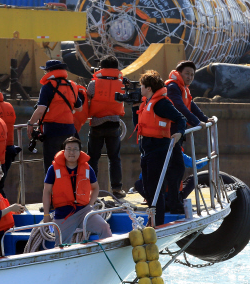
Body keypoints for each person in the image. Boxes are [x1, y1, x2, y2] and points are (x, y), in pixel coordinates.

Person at [133, 70, 186, 227]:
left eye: (142, 86)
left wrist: (178, 134)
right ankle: (152, 220)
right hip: (147, 150)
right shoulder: (147, 102)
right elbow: (138, 125)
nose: (140, 89)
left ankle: (158, 223)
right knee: (148, 189)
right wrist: (134, 108)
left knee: (156, 189)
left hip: (158, 150)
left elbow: (180, 118)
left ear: (149, 88)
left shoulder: (161, 103)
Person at [42, 137, 112, 244]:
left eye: (75, 149)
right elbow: (47, 191)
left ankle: (107, 254)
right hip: (63, 215)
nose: (72, 152)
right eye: (69, 149)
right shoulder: (53, 169)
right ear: (63, 151)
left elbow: (95, 187)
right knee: (61, 245)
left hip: (84, 211)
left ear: (80, 152)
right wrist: (46, 215)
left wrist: (90, 205)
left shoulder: (87, 168)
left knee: (104, 227)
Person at [164, 61, 210, 213]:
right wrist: (196, 122)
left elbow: (191, 105)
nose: (190, 77)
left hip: (176, 134)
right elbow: (179, 106)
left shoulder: (182, 88)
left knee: (177, 168)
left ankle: (173, 201)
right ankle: (173, 203)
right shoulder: (172, 88)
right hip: (168, 134)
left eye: (192, 74)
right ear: (179, 73)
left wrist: (204, 119)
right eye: (187, 73)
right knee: (176, 168)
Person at [27, 60, 82, 174]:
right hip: (70, 131)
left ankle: (53, 190)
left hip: (52, 130)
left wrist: (30, 123)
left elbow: (40, 110)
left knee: (52, 164)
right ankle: (68, 189)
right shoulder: (72, 86)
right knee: (68, 163)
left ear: (49, 71)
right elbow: (79, 108)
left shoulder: (47, 87)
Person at [86, 55, 126, 198]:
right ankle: (117, 188)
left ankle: (91, 188)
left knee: (93, 158)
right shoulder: (122, 83)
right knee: (114, 158)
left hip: (96, 123)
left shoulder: (93, 83)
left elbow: (87, 97)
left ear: (101, 68)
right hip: (114, 125)